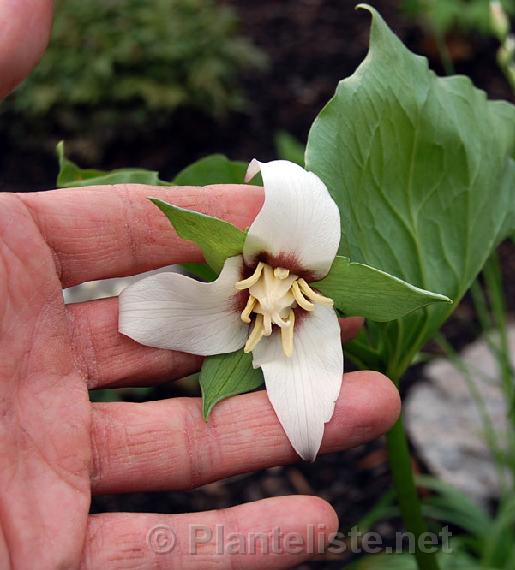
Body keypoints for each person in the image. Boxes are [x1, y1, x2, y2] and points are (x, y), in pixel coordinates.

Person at [0, 2, 400, 568]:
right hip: (275, 298)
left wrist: (268, 195)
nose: (271, 297)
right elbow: (144, 317)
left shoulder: (275, 287)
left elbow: (302, 408)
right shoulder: (263, 290)